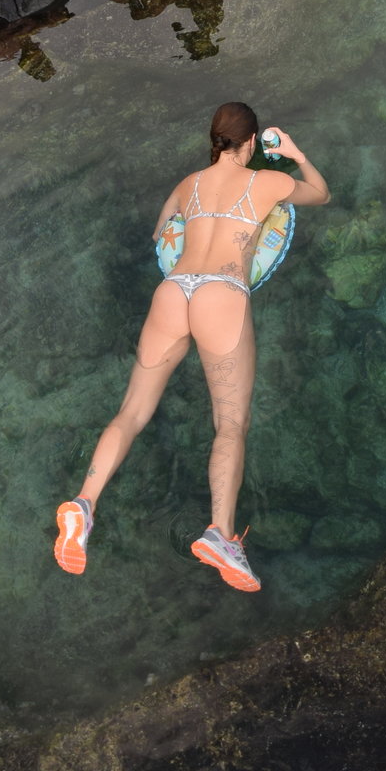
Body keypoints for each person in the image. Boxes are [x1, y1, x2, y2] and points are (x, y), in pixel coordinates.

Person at [53, 103, 330, 591]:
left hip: (175, 290)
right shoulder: (268, 182)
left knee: (131, 413)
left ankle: (83, 503)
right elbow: (321, 194)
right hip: (221, 293)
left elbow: (163, 234)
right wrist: (291, 154)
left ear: (216, 140)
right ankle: (220, 534)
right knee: (229, 424)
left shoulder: (188, 185)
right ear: (251, 141)